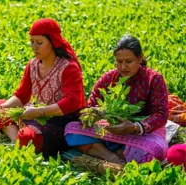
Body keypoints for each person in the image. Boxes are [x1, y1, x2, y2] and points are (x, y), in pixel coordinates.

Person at [0, 18, 86, 158]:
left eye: (39, 43)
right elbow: (21, 95)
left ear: (53, 43)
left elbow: (72, 102)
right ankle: (16, 141)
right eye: (32, 42)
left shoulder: (68, 68)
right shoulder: (33, 64)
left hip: (59, 122)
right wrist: (3, 107)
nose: (34, 47)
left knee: (29, 137)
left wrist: (39, 112)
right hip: (34, 113)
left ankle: (23, 139)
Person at [64, 35, 169, 164]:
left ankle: (108, 153)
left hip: (140, 134)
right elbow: (91, 105)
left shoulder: (153, 79)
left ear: (139, 58)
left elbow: (161, 114)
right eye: (119, 62)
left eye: (128, 61)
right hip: (110, 130)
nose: (123, 67)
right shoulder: (109, 78)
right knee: (71, 129)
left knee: (150, 152)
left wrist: (135, 127)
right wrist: (96, 114)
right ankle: (113, 158)